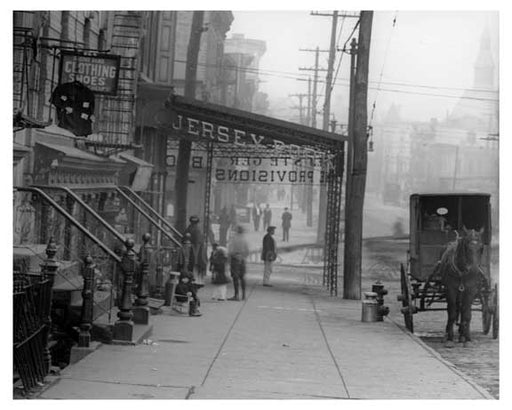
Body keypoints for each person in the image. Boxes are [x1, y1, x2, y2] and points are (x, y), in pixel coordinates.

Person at [227, 225, 249, 301]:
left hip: (235, 259)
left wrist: (229, 258)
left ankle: (236, 295)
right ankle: (243, 295)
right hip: (242, 259)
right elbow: (247, 251)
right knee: (242, 277)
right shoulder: (245, 239)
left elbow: (230, 250)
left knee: (235, 277)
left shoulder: (234, 239)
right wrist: (243, 257)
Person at [184, 216, 207, 285]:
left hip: (194, 252)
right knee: (194, 268)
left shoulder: (189, 229)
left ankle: (193, 281)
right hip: (197, 253)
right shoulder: (197, 230)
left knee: (192, 267)